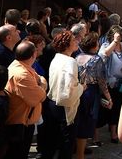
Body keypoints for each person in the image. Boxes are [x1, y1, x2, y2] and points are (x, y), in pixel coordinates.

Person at [40, 30, 83, 159]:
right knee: (66, 144)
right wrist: (81, 87)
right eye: (73, 40)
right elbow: (68, 91)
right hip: (64, 107)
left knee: (52, 142)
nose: (77, 42)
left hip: (52, 103)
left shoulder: (56, 58)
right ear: (66, 44)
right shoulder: (70, 61)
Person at [4, 41, 47, 159]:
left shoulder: (20, 66)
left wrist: (40, 83)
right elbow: (40, 97)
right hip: (19, 124)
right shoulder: (22, 74)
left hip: (23, 122)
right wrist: (42, 84)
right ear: (33, 55)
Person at [75, 32, 112, 159]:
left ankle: (79, 150)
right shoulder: (97, 59)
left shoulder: (77, 57)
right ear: (93, 45)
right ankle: (80, 155)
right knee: (86, 123)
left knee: (79, 120)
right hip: (91, 92)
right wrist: (109, 98)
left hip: (79, 91)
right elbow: (102, 81)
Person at [99, 25, 122, 143]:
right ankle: (98, 134)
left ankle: (114, 132)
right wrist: (114, 42)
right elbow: (103, 55)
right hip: (109, 83)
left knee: (117, 107)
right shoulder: (107, 45)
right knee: (107, 108)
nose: (119, 38)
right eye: (117, 36)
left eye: (120, 35)